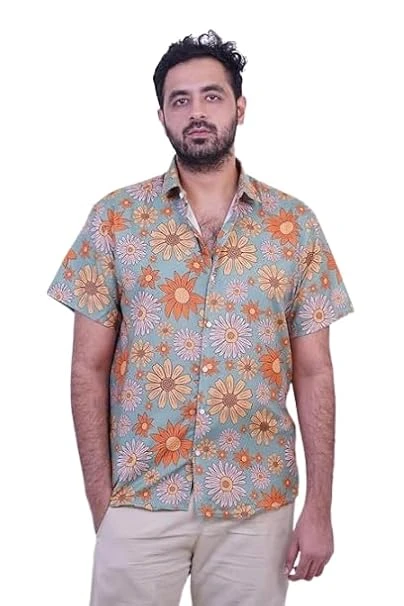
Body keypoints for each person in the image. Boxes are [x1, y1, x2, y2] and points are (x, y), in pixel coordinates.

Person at [47, 29, 354, 606]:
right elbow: (87, 368)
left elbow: (315, 372)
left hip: (257, 501)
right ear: (161, 115)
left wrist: (319, 507)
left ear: (240, 107)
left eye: (212, 96)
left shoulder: (294, 226)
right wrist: (102, 503)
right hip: (140, 497)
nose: (196, 113)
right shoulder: (115, 220)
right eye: (180, 100)